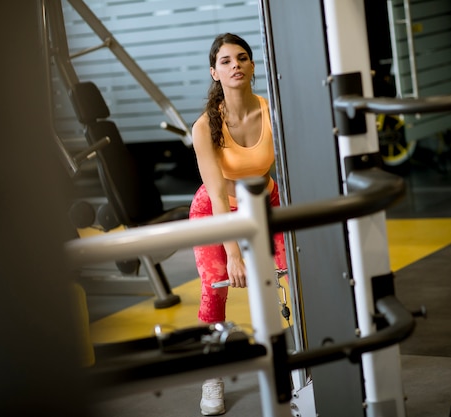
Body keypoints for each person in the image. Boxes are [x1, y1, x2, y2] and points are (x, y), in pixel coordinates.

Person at [189, 33, 288, 416]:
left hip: (267, 201)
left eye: (242, 58)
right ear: (214, 72)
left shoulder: (271, 111)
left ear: (251, 66)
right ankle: (211, 374)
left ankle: (298, 362)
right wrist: (233, 255)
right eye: (226, 61)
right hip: (217, 210)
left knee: (292, 273)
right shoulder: (205, 126)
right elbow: (216, 194)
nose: (236, 65)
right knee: (215, 289)